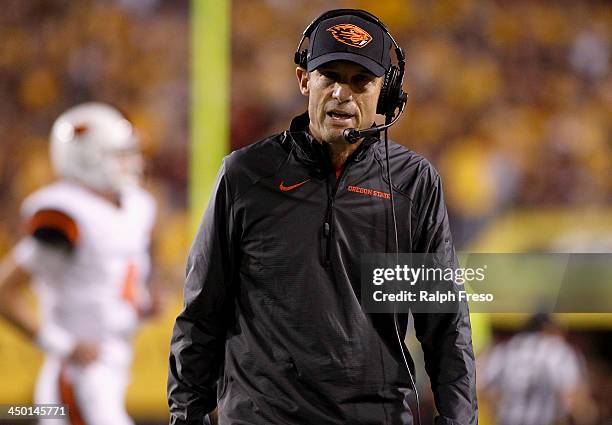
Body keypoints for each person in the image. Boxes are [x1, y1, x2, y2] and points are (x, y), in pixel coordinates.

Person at [168, 9, 478, 425]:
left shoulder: (413, 185)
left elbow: (444, 323)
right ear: (304, 81)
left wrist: (458, 420)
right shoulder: (246, 176)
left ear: (384, 93)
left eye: (359, 81)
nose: (341, 94)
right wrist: (186, 416)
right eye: (329, 76)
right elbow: (203, 312)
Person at [0, 102, 159, 425]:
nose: (132, 162)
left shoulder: (136, 206)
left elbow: (107, 283)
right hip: (78, 376)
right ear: (88, 157)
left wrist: (142, 305)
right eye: (120, 154)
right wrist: (60, 344)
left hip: (112, 367)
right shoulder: (65, 213)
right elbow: (5, 290)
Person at [479, 313, 598, 425]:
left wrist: (496, 411)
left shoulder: (505, 348)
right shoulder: (559, 351)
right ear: (548, 327)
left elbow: (481, 388)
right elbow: (572, 397)